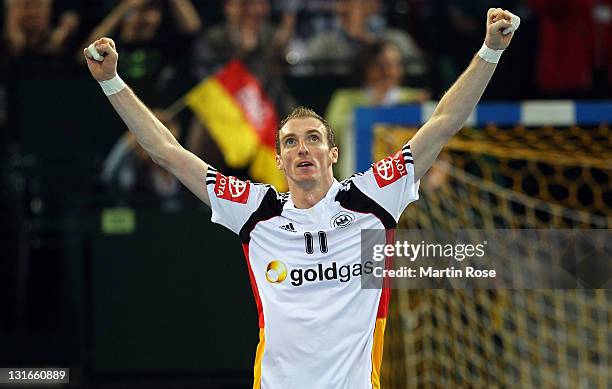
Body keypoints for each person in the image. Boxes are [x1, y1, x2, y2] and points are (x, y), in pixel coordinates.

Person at [83, 7, 518, 388]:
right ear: (279, 159)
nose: (302, 148)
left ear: (333, 154)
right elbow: (167, 152)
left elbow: (443, 122)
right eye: (291, 142)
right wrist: (111, 82)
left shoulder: (371, 199)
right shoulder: (256, 211)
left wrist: (490, 52)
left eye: (313, 139)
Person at [326, 39, 429, 178]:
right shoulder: (345, 99)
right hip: (356, 176)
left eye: (396, 65)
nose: (390, 71)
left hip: (404, 177)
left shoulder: (415, 98)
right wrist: (374, 105)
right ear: (367, 67)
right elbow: (330, 137)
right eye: (382, 65)